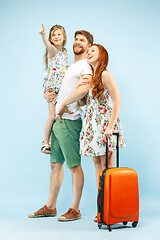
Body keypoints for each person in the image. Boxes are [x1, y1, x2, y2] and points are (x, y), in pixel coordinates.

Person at [28, 30, 94, 221]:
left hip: (69, 122)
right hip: (58, 120)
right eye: (76, 39)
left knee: (74, 166)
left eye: (82, 40)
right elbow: (57, 86)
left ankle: (75, 209)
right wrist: (48, 96)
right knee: (55, 165)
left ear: (90, 46)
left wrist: (64, 105)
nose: (77, 42)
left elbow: (85, 90)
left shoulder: (86, 66)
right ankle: (51, 206)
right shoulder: (69, 64)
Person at [58, 44, 126, 222]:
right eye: (88, 51)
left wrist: (110, 126)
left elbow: (117, 101)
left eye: (92, 51)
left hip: (104, 121)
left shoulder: (105, 74)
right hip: (91, 122)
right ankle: (102, 207)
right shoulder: (90, 76)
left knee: (108, 162)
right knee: (97, 163)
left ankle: (111, 207)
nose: (89, 53)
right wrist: (79, 92)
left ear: (102, 54)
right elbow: (83, 104)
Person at [39, 24, 68, 154]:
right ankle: (45, 143)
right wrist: (44, 36)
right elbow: (48, 45)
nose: (56, 37)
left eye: (59, 34)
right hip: (53, 89)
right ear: (51, 39)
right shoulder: (53, 51)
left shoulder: (64, 52)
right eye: (53, 35)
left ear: (64, 37)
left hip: (60, 90)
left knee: (57, 116)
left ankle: (51, 141)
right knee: (51, 116)